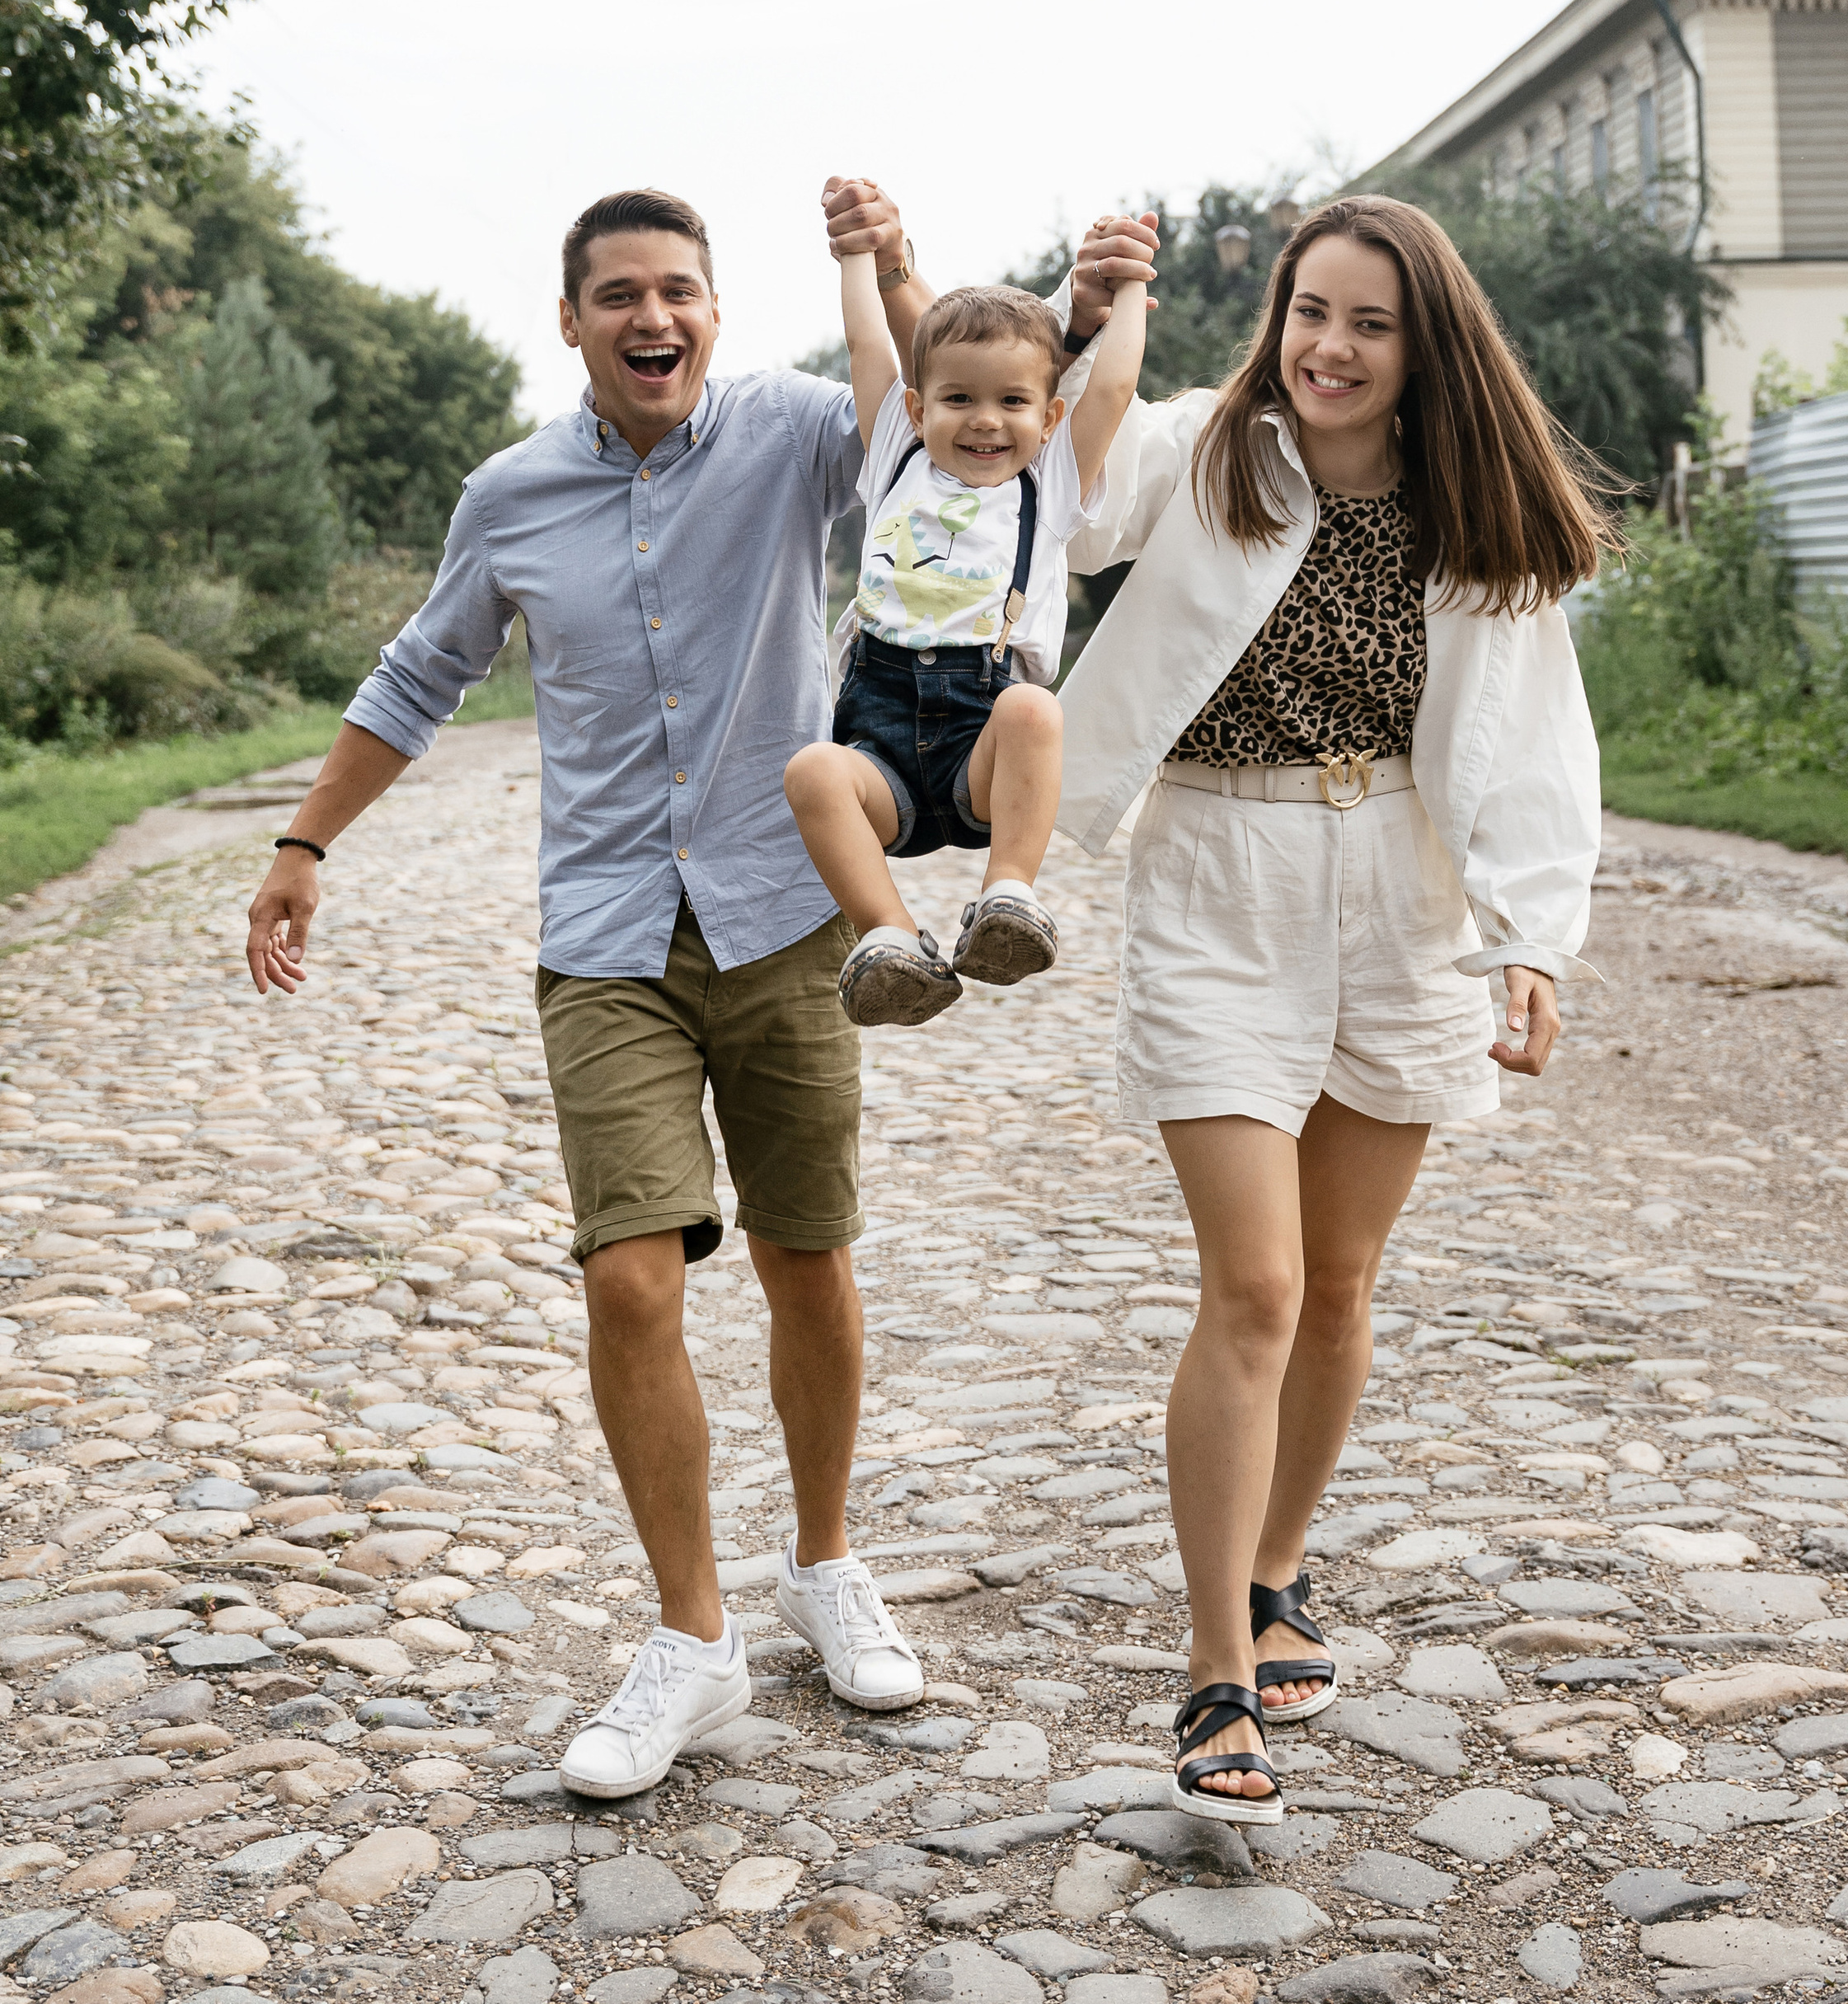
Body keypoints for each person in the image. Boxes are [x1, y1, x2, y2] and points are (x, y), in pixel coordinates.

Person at [240, 178, 940, 1795]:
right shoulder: (512, 494)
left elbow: (932, 424)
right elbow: (422, 671)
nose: (653, 319)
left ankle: (823, 1563)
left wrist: (893, 263)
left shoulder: (787, 436)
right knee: (631, 1276)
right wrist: (302, 844)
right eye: (619, 294)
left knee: (804, 1257)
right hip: (607, 936)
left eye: (678, 291)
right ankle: (690, 1643)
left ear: (712, 306)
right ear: (570, 321)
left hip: (780, 914)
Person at [1053, 195, 1612, 1822]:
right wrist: (1093, 321)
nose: (1328, 347)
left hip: (1402, 895)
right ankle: (1214, 1661)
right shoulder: (1204, 449)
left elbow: (1532, 744)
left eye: (1366, 322)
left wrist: (1531, 936)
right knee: (1254, 1288)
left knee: (1344, 1281)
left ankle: (1283, 1560)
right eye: (1308, 311)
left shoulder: (1478, 517)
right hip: (1217, 878)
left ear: (1420, 343)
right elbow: (1075, 505)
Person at [785, 205, 1151, 1027]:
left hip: (979, 749)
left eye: (1013, 400)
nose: (986, 419)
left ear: (1048, 418)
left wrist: (1128, 289)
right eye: (958, 398)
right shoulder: (894, 460)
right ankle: (890, 939)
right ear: (917, 411)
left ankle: (1008, 897)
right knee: (810, 771)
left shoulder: (1047, 488)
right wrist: (854, 256)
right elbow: (867, 348)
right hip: (879, 751)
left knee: (1033, 707)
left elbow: (1116, 386)